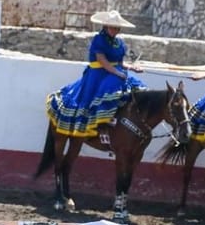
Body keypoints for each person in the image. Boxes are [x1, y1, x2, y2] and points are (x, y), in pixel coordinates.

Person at [46, 9, 145, 145]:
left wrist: (132, 67)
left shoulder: (119, 43)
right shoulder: (99, 40)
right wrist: (117, 73)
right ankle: (103, 122)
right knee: (111, 86)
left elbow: (120, 63)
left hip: (115, 71)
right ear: (105, 26)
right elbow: (102, 61)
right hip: (98, 73)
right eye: (112, 27)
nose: (115, 30)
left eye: (117, 28)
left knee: (136, 86)